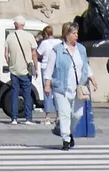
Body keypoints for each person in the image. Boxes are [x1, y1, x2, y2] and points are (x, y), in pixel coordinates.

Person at [51, 22, 90, 152]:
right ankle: (66, 139)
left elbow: (85, 66)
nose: (76, 35)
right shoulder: (58, 49)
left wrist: (91, 78)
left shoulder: (81, 49)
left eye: (77, 33)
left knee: (77, 114)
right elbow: (49, 68)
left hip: (78, 87)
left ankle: (69, 132)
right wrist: (47, 84)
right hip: (61, 87)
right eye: (74, 33)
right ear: (66, 34)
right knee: (65, 113)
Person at [4, 16, 39, 126]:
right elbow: (34, 54)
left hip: (14, 70)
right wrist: (36, 68)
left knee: (14, 94)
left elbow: (6, 54)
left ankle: (14, 118)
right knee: (27, 94)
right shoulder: (29, 36)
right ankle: (28, 118)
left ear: (16, 24)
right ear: (23, 25)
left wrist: (10, 64)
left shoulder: (10, 37)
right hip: (26, 70)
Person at [37, 25, 60, 121]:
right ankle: (58, 115)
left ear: (46, 34)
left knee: (47, 92)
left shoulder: (44, 43)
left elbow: (38, 54)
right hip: (56, 67)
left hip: (46, 67)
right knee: (57, 92)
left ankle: (48, 116)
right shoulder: (59, 42)